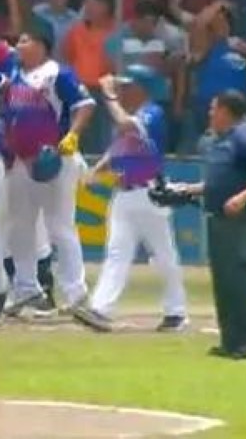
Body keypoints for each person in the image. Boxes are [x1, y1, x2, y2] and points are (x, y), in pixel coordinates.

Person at [77, 65, 188, 332]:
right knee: (117, 253)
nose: (122, 91)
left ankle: (176, 312)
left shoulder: (152, 112)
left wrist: (110, 98)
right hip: (124, 194)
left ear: (141, 88)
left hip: (150, 194)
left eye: (128, 87)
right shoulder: (132, 114)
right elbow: (119, 147)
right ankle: (100, 309)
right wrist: (97, 170)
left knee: (163, 255)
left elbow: (128, 127)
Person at [0, 24, 95, 318]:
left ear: (41, 45)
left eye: (25, 39)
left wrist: (73, 134)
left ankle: (76, 292)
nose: (19, 44)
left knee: (60, 226)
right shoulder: (13, 74)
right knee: (20, 226)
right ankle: (26, 288)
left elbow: (85, 104)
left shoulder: (57, 73)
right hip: (20, 160)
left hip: (54, 158)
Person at [183, 91, 246, 360]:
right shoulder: (218, 142)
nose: (211, 114)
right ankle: (231, 342)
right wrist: (189, 190)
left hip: (244, 223)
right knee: (224, 284)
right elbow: (219, 183)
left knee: (244, 285)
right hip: (219, 222)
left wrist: (242, 198)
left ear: (226, 111)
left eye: (215, 108)